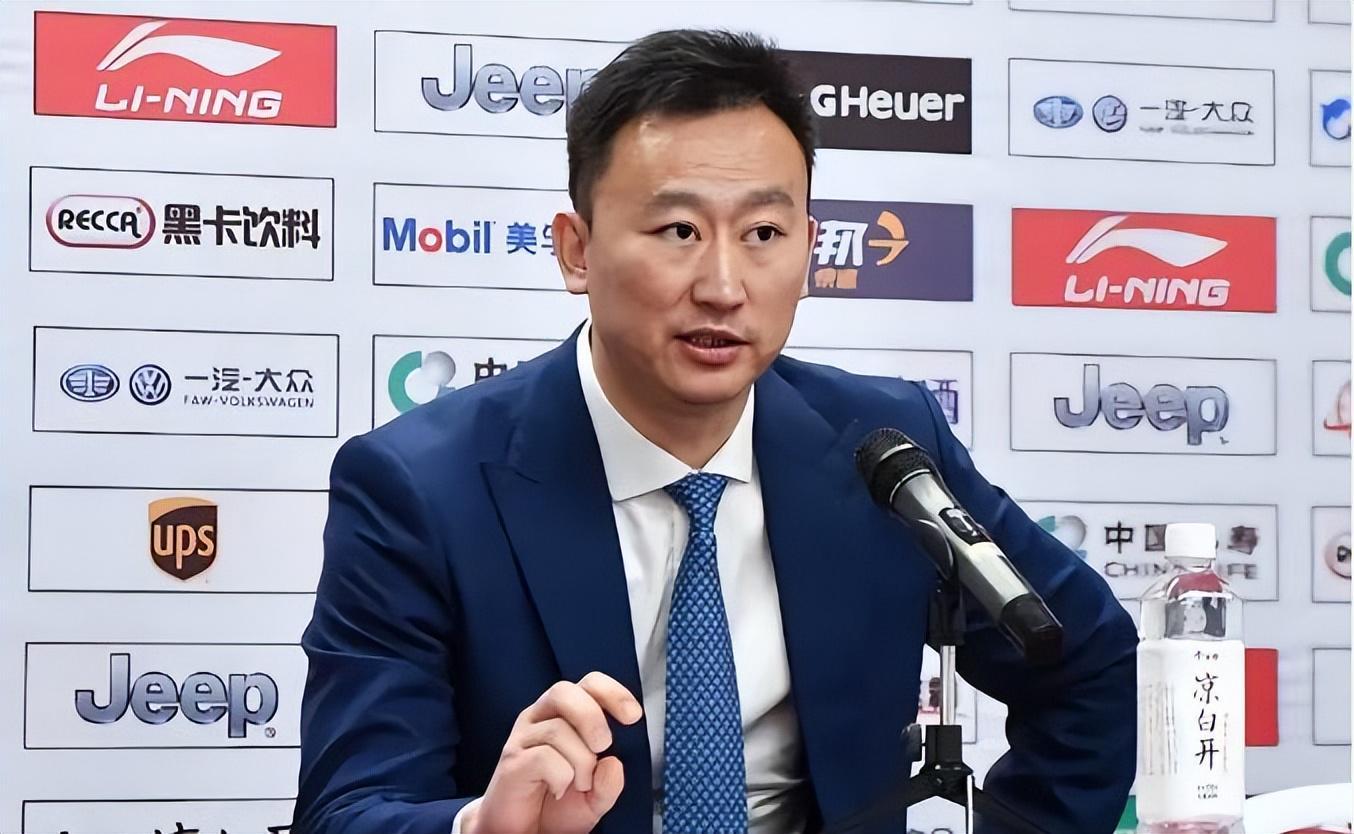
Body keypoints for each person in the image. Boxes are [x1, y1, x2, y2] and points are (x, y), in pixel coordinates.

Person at [294, 29, 1136, 834]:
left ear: (809, 248)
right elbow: (348, 809)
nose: (725, 286)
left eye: (764, 234)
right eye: (679, 232)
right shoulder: (421, 489)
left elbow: (1087, 664)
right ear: (577, 251)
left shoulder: (884, 450)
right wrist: (485, 825)